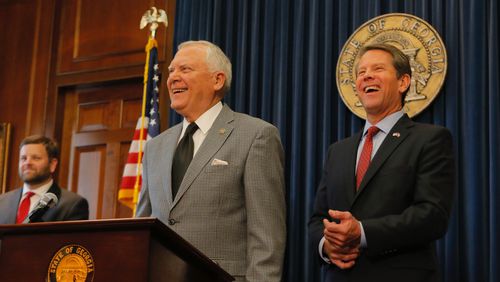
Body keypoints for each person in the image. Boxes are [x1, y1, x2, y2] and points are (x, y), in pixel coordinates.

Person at [135, 40, 286, 281]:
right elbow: (142, 227)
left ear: (218, 80)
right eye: (172, 70)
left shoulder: (256, 135)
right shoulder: (155, 146)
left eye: (185, 69)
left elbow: (266, 237)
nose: (173, 77)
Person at [309, 43, 455, 282]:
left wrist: (362, 232)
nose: (366, 75)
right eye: (361, 72)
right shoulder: (338, 150)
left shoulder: (430, 139)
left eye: (377, 68)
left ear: (403, 82)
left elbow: (432, 216)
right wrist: (327, 246)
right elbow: (318, 218)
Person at [0, 135, 89, 224]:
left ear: (52, 164)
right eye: (23, 158)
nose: (27, 163)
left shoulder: (72, 204)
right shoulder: (2, 201)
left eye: (36, 158)